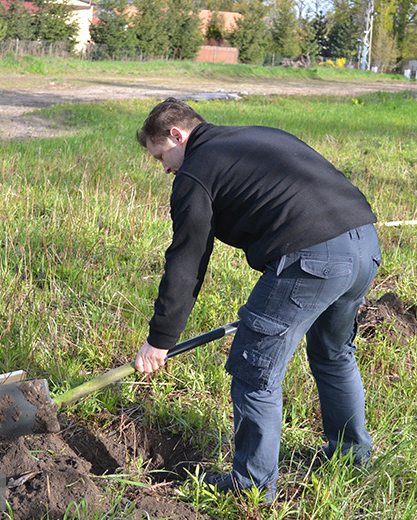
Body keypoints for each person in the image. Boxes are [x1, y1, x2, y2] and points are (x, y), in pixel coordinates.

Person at [133, 98, 382, 500]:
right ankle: (351, 456)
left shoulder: (195, 173)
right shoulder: (257, 135)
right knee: (334, 354)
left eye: (161, 155)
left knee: (255, 371)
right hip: (364, 244)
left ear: (177, 136)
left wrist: (160, 339)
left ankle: (250, 488)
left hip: (312, 259)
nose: (164, 168)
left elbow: (187, 261)